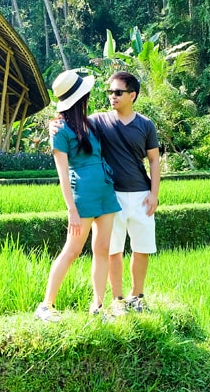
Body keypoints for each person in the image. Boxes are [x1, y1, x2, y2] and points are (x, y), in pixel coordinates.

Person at [50, 71, 160, 315]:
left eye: (118, 92)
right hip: (107, 196)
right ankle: (114, 299)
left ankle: (127, 298)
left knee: (128, 249)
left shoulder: (141, 125)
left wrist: (154, 192)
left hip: (128, 196)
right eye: (110, 92)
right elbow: (68, 131)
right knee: (107, 251)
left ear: (132, 95)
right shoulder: (97, 121)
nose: (112, 96)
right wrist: (54, 122)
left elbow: (154, 160)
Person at [34, 70, 120, 322]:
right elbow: (62, 173)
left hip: (105, 191)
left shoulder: (90, 123)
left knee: (102, 249)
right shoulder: (59, 129)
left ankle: (98, 306)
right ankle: (46, 305)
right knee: (71, 250)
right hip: (82, 196)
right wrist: (71, 209)